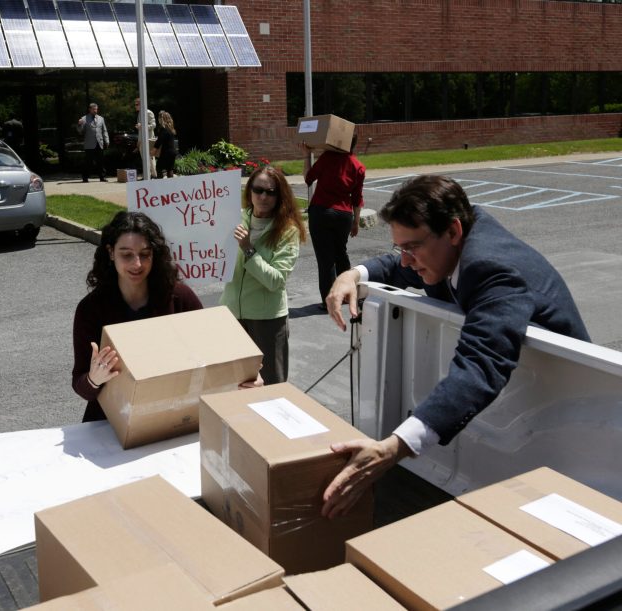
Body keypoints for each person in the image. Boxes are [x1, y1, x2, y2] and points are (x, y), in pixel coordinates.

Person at [321, 174, 591, 518]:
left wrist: (393, 447)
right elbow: (397, 266)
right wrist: (353, 275)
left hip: (575, 417)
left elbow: (480, 365)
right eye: (400, 247)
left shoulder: (493, 267)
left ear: (452, 231)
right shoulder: (447, 246)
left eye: (412, 247)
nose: (405, 260)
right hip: (528, 411)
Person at [72, 211, 203, 422]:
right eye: (126, 254)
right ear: (111, 252)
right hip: (109, 424)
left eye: (145, 254)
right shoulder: (90, 309)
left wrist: (245, 376)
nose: (137, 264)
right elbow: (81, 387)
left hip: (170, 417)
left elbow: (213, 355)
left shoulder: (180, 298)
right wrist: (94, 379)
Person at [220, 167, 307, 385]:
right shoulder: (234, 219)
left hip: (266, 320)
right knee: (232, 382)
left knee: (270, 383)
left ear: (280, 196)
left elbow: (276, 280)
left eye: (271, 191)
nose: (263, 196)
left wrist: (248, 248)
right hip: (231, 314)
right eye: (258, 190)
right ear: (249, 191)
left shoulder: (288, 230)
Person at [303, 136, 366, 310]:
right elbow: (357, 197)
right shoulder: (358, 166)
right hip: (344, 215)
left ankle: (329, 301)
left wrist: (307, 155)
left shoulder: (327, 158)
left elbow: (308, 178)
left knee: (325, 260)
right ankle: (346, 294)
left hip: (321, 211)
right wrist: (355, 221)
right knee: (340, 254)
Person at [77, 103, 109, 183]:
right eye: (94, 109)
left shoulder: (101, 118)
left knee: (100, 161)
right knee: (88, 162)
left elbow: (104, 130)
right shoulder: (84, 119)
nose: (95, 111)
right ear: (90, 109)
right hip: (89, 144)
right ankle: (85, 178)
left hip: (99, 143)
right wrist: (79, 124)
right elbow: (80, 131)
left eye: (96, 109)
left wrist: (107, 140)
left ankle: (102, 177)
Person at [134, 97, 157, 178]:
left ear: (141, 104)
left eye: (137, 104)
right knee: (145, 159)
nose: (135, 106)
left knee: (150, 158)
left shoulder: (148, 112)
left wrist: (142, 126)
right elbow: (141, 129)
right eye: (135, 104)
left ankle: (154, 175)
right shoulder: (140, 113)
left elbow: (154, 125)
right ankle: (148, 175)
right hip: (142, 140)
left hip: (148, 139)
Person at [153, 110, 178, 179]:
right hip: (172, 152)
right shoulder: (171, 129)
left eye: (159, 118)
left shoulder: (163, 129)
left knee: (159, 167)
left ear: (162, 119)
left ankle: (160, 186)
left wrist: (153, 151)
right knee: (170, 169)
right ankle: (171, 186)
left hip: (166, 152)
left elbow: (159, 141)